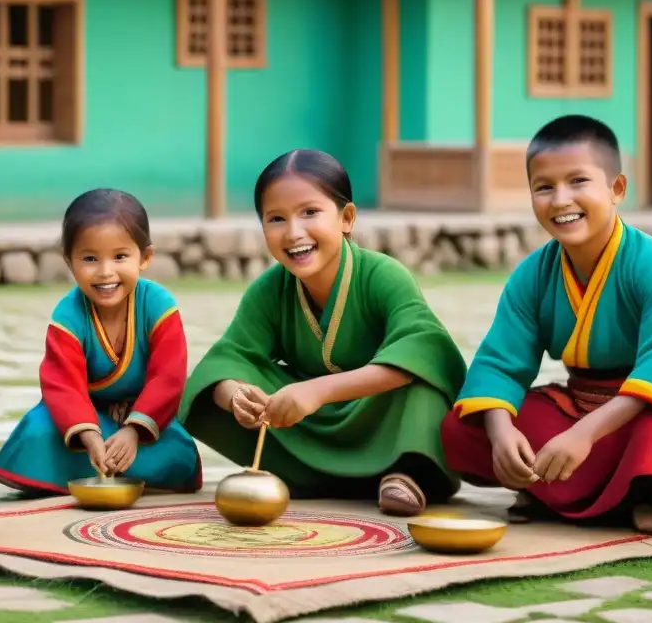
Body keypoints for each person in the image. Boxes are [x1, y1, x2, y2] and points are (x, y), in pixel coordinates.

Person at [440, 116, 652, 533]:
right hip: (582, 403)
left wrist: (583, 436)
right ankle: (600, 492)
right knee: (463, 427)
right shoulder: (534, 274)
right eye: (544, 187)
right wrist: (502, 432)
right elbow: (500, 363)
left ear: (616, 189)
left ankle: (626, 491)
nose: (561, 200)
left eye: (578, 181)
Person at [179, 149, 468, 516]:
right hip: (309, 423)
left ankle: (407, 473)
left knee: (421, 378)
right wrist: (237, 396)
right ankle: (315, 473)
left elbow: (427, 350)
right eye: (276, 219)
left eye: (310, 212)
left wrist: (317, 391)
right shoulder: (269, 289)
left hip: (382, 418)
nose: (294, 232)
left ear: (346, 218)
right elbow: (227, 359)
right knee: (224, 379)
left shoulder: (383, 275)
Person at [0, 189, 202, 495]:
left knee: (177, 453)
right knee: (38, 432)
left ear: (145, 257)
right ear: (69, 261)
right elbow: (63, 385)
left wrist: (132, 432)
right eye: (89, 258)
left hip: (146, 424)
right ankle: (93, 463)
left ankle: (82, 470)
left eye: (120, 256)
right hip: (85, 422)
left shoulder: (158, 305)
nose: (105, 272)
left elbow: (168, 378)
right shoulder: (68, 314)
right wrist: (89, 437)